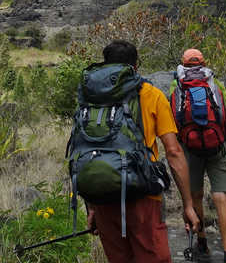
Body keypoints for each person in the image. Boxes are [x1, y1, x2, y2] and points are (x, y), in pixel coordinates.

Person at [86, 40, 201, 263]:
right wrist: (188, 204)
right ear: (135, 66)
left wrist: (92, 207)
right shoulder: (151, 94)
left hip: (102, 198)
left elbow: (86, 149)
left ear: (105, 65)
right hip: (143, 195)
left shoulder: (92, 98)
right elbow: (174, 151)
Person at [173, 48, 226, 263]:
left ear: (183, 65)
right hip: (218, 146)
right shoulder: (216, 84)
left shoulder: (176, 86)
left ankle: (202, 242)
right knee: (221, 197)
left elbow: (174, 122)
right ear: (204, 63)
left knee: (195, 196)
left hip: (190, 149)